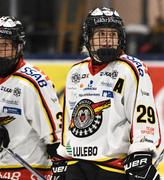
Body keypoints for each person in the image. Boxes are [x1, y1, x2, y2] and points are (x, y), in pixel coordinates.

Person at [55, 7, 162, 180]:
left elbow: (143, 116)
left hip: (111, 166)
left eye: (112, 35)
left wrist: (142, 152)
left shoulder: (131, 69)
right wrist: (61, 157)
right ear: (88, 38)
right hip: (76, 164)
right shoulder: (75, 72)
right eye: (101, 35)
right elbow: (69, 121)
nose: (107, 41)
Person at [0, 16, 62, 180]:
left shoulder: (32, 83)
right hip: (1, 171)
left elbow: (56, 139)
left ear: (18, 47)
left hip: (32, 172)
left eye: (5, 45)